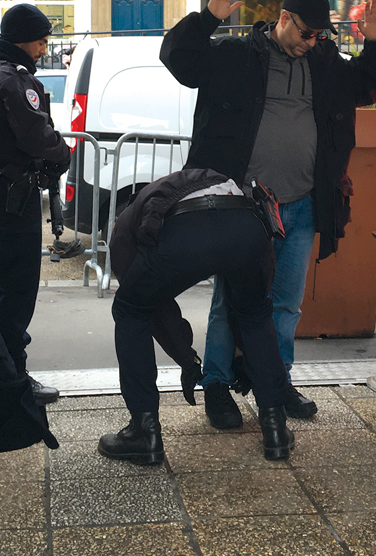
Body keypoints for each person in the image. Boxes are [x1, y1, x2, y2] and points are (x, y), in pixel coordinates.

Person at [160, 0, 376, 429]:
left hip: (304, 201)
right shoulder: (237, 56)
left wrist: (375, 43)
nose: (310, 42)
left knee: (287, 303)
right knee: (229, 299)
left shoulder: (325, 63)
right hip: (242, 206)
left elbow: (375, 84)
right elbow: (179, 60)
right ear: (284, 19)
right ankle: (216, 384)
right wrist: (209, 18)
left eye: (319, 35)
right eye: (305, 33)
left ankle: (277, 381)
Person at [98, 168, 294, 464]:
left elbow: (150, 308)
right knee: (255, 314)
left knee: (128, 310)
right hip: (245, 221)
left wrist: (188, 361)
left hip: (187, 227)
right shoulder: (187, 184)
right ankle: (275, 427)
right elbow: (253, 300)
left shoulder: (124, 233)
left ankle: (144, 433)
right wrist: (245, 356)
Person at [0, 3, 71, 406]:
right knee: (16, 292)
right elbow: (37, 136)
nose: (44, 48)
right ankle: (13, 382)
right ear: (24, 39)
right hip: (15, 198)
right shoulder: (13, 78)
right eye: (42, 40)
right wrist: (63, 154)